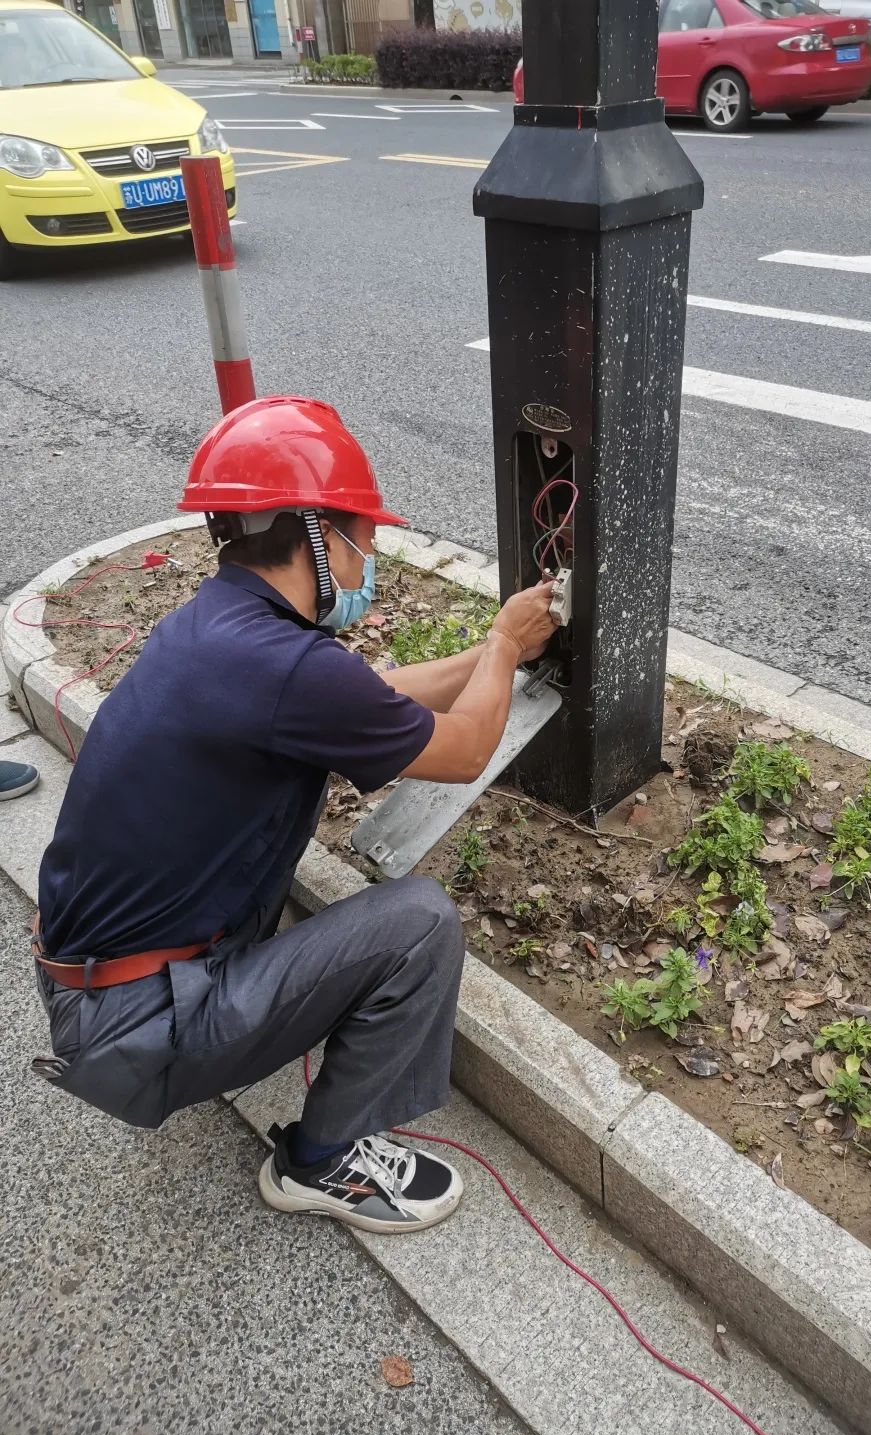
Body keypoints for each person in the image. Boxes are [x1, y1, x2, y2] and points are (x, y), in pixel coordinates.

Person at [32, 396, 556, 1234]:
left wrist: (503, 648)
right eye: (365, 541)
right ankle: (318, 1161)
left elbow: (372, 699)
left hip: (94, 989)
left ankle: (221, 1032)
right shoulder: (285, 667)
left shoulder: (220, 629)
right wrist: (498, 647)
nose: (367, 563)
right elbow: (461, 752)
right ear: (317, 534)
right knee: (419, 923)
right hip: (134, 1026)